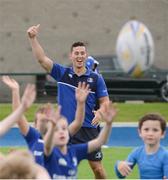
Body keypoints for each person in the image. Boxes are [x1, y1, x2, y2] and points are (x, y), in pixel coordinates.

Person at [27, 24, 110, 179]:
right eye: (76, 53)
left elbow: (105, 102)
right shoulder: (62, 73)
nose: (79, 56)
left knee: (97, 169)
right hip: (66, 129)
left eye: (82, 53)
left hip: (88, 129)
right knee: (60, 166)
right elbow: (41, 59)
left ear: (86, 56)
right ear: (71, 56)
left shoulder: (96, 78)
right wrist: (33, 38)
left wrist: (100, 113)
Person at [2, 76, 90, 166]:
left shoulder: (60, 134)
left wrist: (81, 103)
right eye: (42, 120)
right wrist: (15, 91)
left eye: (48, 120)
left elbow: (78, 122)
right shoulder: (33, 136)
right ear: (35, 125)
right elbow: (19, 118)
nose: (46, 123)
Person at [43, 101, 116, 179]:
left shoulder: (74, 151)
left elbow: (100, 141)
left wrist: (108, 124)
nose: (61, 132)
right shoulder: (49, 152)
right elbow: (47, 146)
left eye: (64, 129)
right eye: (56, 130)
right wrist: (52, 127)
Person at [115, 113, 168, 179]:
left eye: (155, 130)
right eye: (146, 129)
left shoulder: (165, 155)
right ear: (140, 132)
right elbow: (122, 175)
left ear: (162, 134)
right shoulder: (137, 152)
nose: (150, 133)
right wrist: (118, 165)